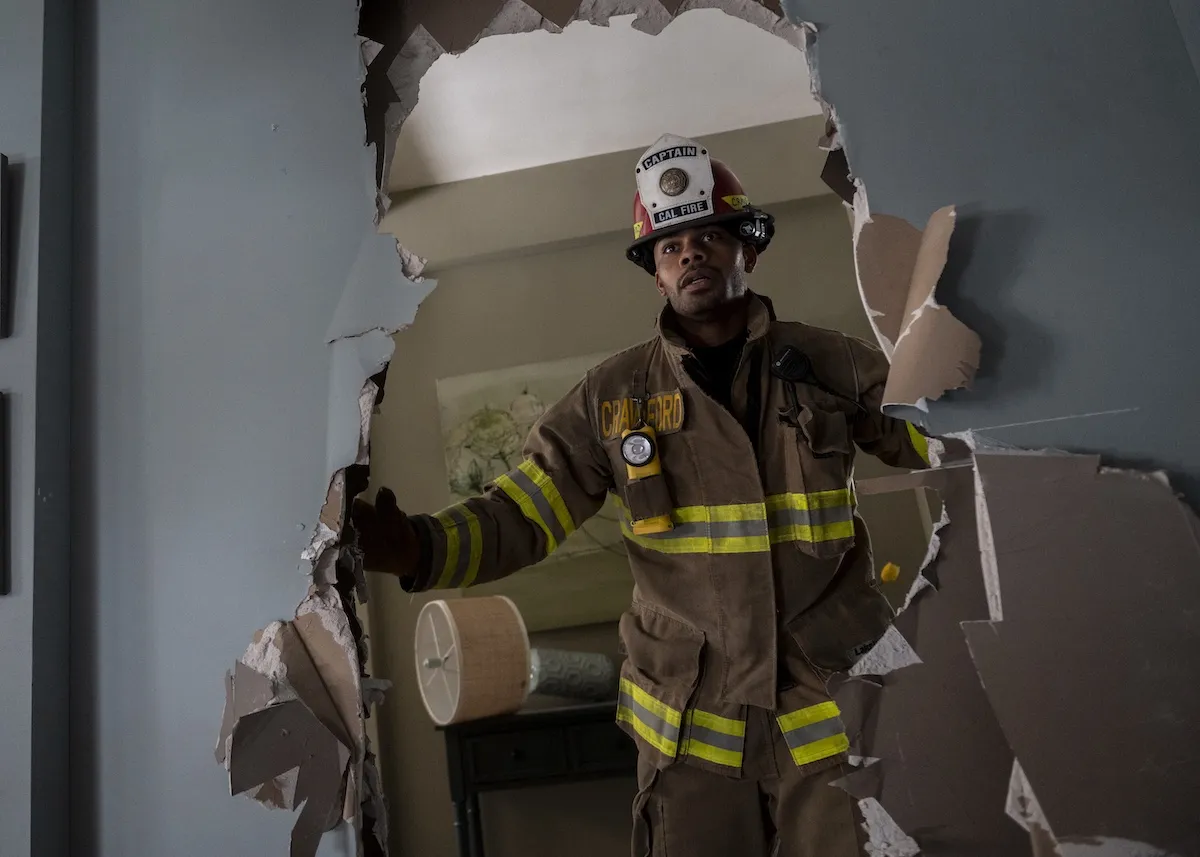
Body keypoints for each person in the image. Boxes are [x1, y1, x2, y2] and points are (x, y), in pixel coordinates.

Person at [352, 133, 931, 857]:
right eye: (669, 246)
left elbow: (941, 437)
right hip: (689, 736)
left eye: (709, 235)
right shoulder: (613, 397)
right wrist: (421, 547)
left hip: (835, 716)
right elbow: (521, 514)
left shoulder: (831, 363)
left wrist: (951, 349)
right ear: (655, 274)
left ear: (748, 248)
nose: (690, 254)